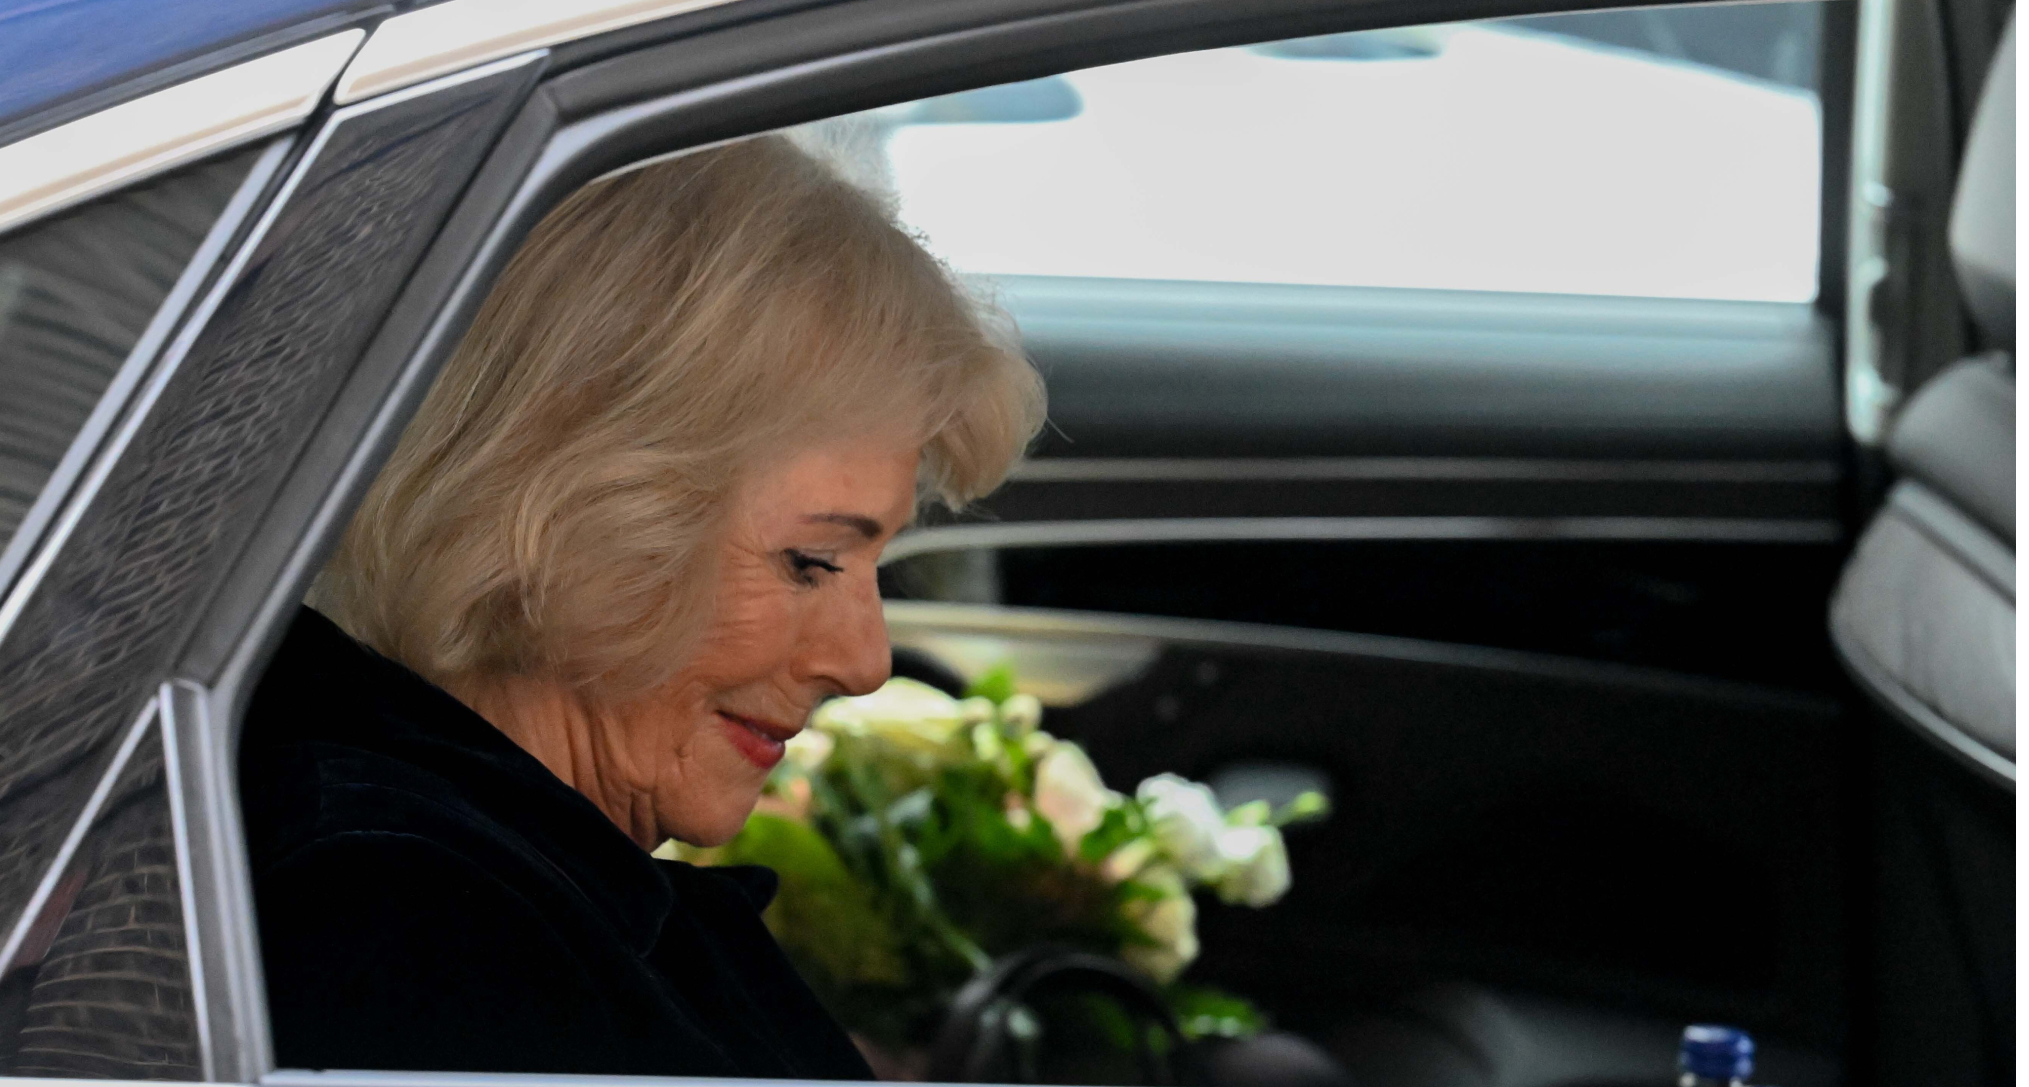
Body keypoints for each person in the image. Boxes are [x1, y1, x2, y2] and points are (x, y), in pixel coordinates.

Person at [238, 134, 1045, 1076]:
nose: (864, 661)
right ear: (570, 519)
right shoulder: (413, 935)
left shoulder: (492, 883)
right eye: (811, 560)